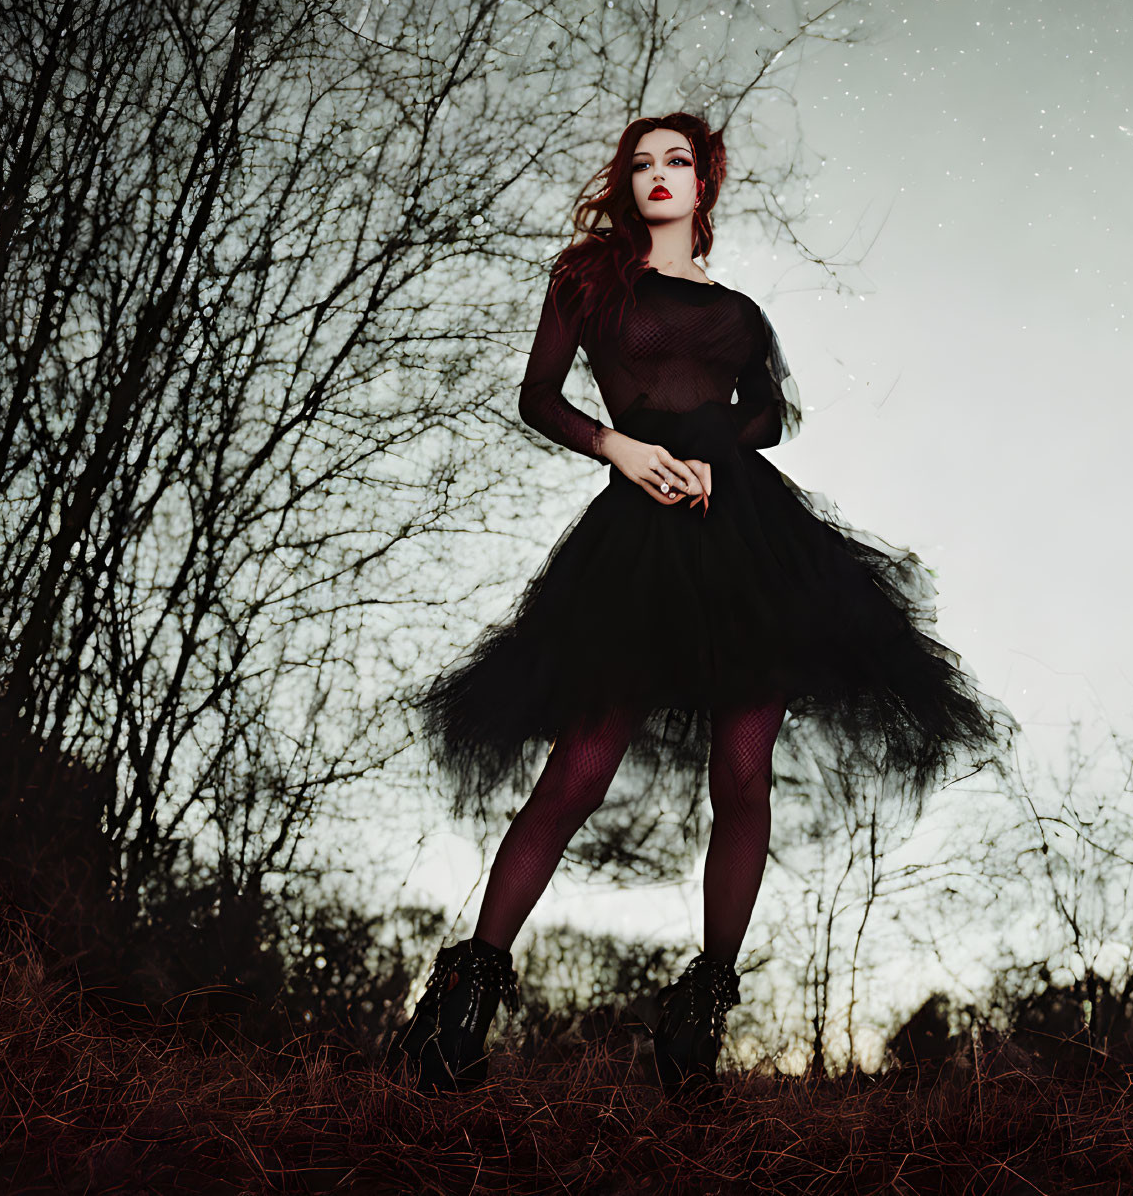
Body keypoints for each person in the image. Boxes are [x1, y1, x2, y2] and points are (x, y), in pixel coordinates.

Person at [388, 112, 1017, 1099]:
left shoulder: (737, 315)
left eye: (675, 161)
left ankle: (699, 1011)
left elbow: (766, 412)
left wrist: (718, 453)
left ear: (703, 180)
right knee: (579, 766)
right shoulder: (589, 282)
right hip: (632, 542)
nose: (656, 176)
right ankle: (463, 998)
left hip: (745, 540)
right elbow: (538, 396)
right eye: (640, 164)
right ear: (626, 183)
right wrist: (623, 450)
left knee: (742, 771)